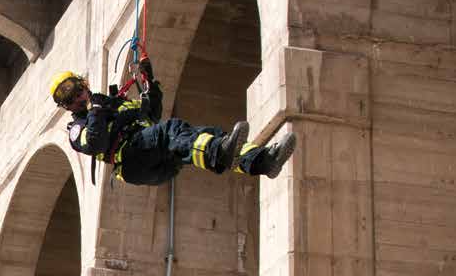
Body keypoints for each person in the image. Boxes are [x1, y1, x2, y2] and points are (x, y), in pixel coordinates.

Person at [50, 59, 296, 187]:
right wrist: (95, 111)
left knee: (204, 134)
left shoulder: (113, 104)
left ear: (84, 85)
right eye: (68, 100)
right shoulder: (76, 129)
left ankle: (261, 162)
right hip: (132, 161)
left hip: (154, 158)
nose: (76, 99)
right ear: (67, 108)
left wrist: (150, 83)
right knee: (171, 131)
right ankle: (219, 153)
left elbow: (151, 114)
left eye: (75, 90)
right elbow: (95, 143)